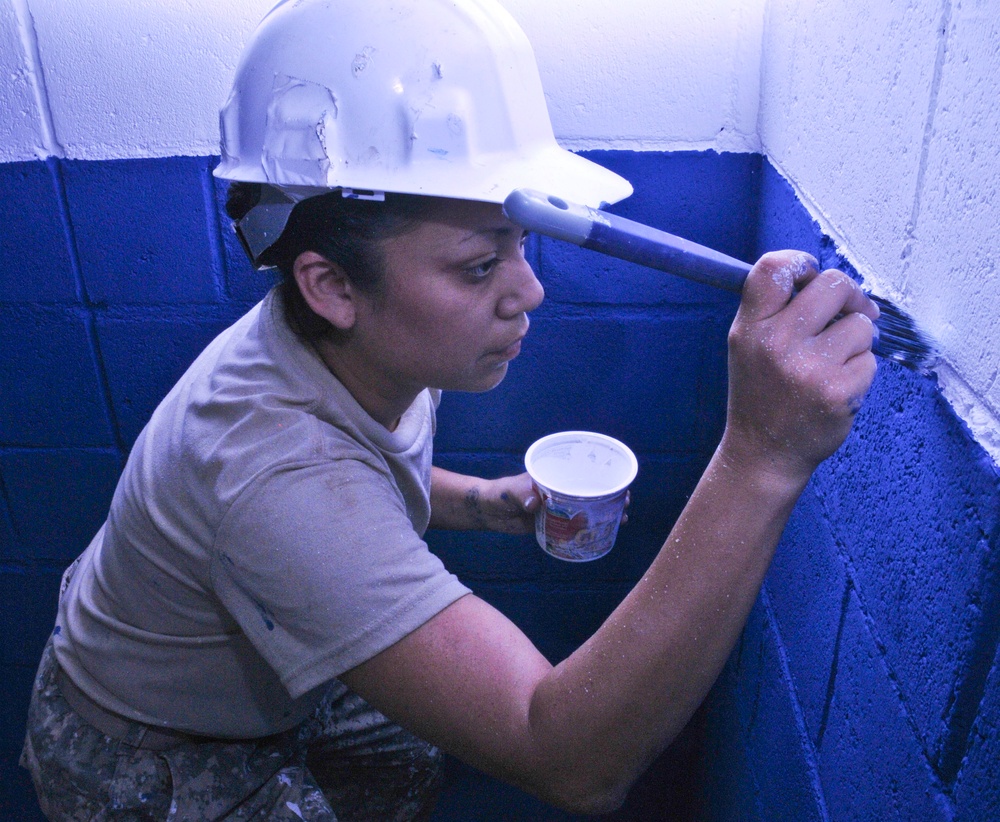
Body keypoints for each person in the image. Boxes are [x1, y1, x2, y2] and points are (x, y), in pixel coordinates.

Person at [20, 0, 880, 819]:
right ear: (331, 284)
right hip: (155, 745)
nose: (529, 291)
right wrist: (762, 454)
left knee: (409, 755)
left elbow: (354, 475)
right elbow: (572, 761)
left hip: (261, 663)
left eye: (521, 244)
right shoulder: (274, 470)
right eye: (478, 266)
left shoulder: (360, 342)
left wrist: (481, 502)